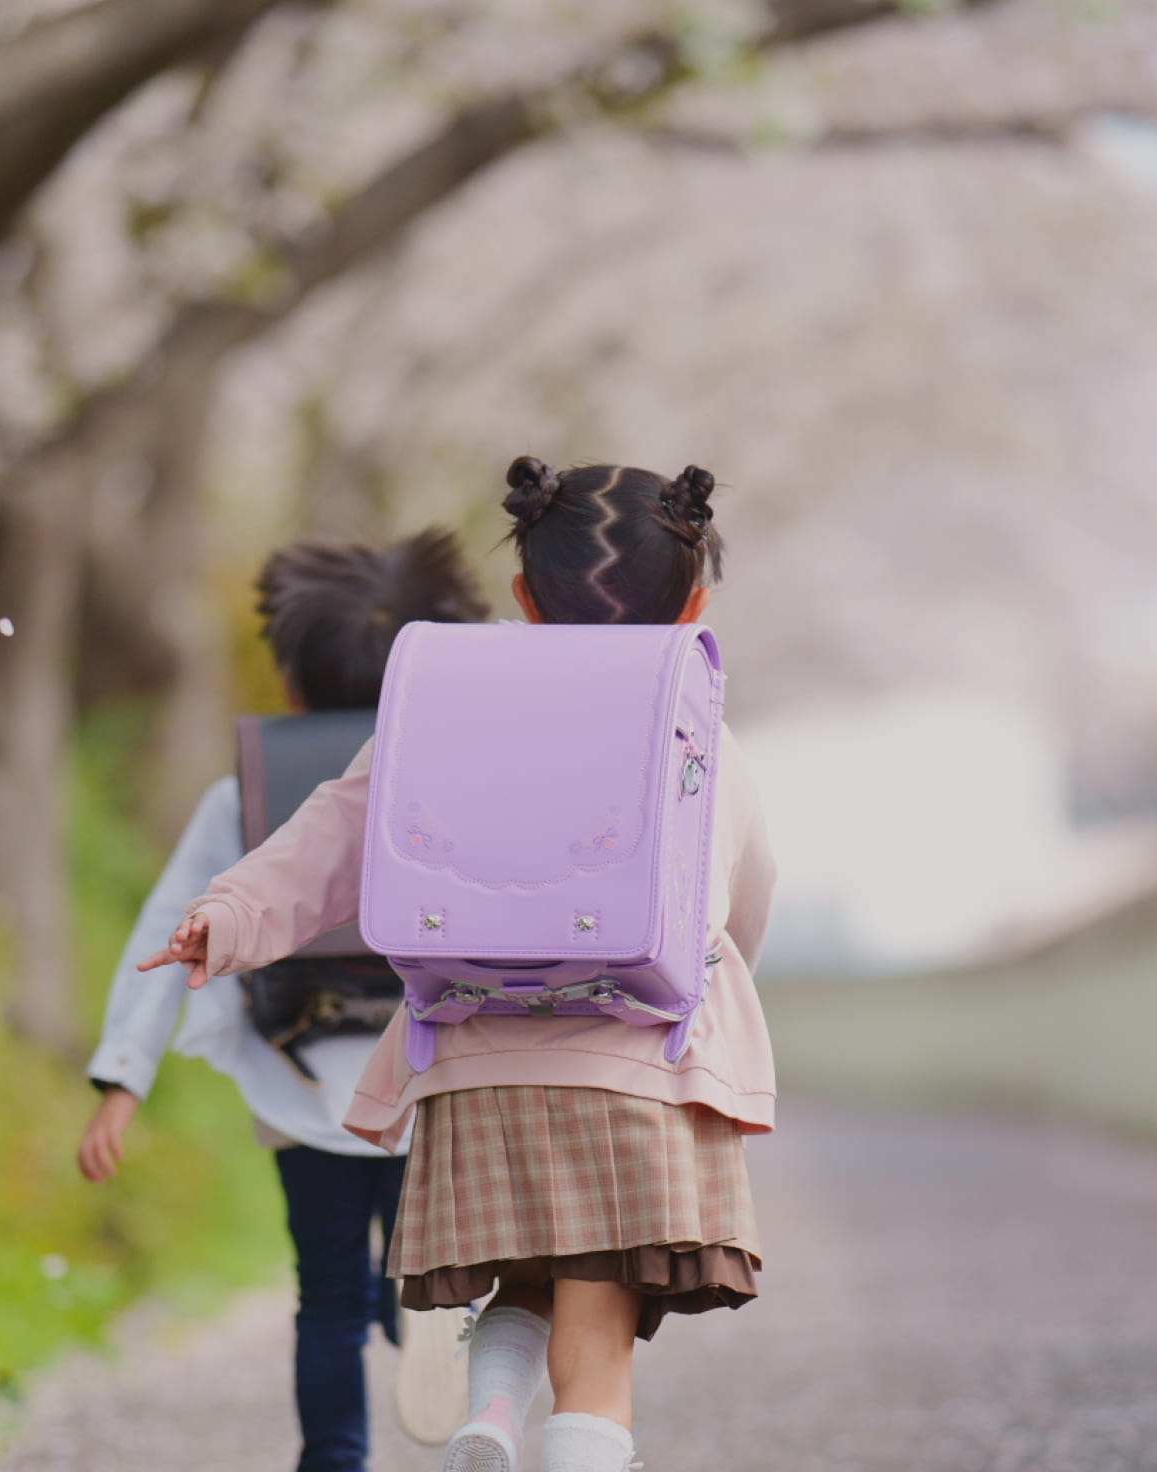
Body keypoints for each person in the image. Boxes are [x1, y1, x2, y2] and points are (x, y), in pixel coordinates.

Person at [143, 457, 780, 1472]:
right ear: (693, 601)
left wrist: (228, 915)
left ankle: (488, 1413)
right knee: (597, 1337)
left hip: (476, 1056)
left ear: (522, 595)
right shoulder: (697, 727)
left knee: (522, 1278)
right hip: (634, 1058)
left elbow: (336, 831)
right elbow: (741, 897)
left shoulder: (443, 703)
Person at [77, 529, 490, 1472]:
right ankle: (428, 1309)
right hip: (432, 1078)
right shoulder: (458, 776)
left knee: (326, 1302)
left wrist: (122, 1078)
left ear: (294, 680)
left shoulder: (247, 793)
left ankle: (334, 1457)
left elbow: (168, 930)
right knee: (436, 1267)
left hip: (305, 1091)